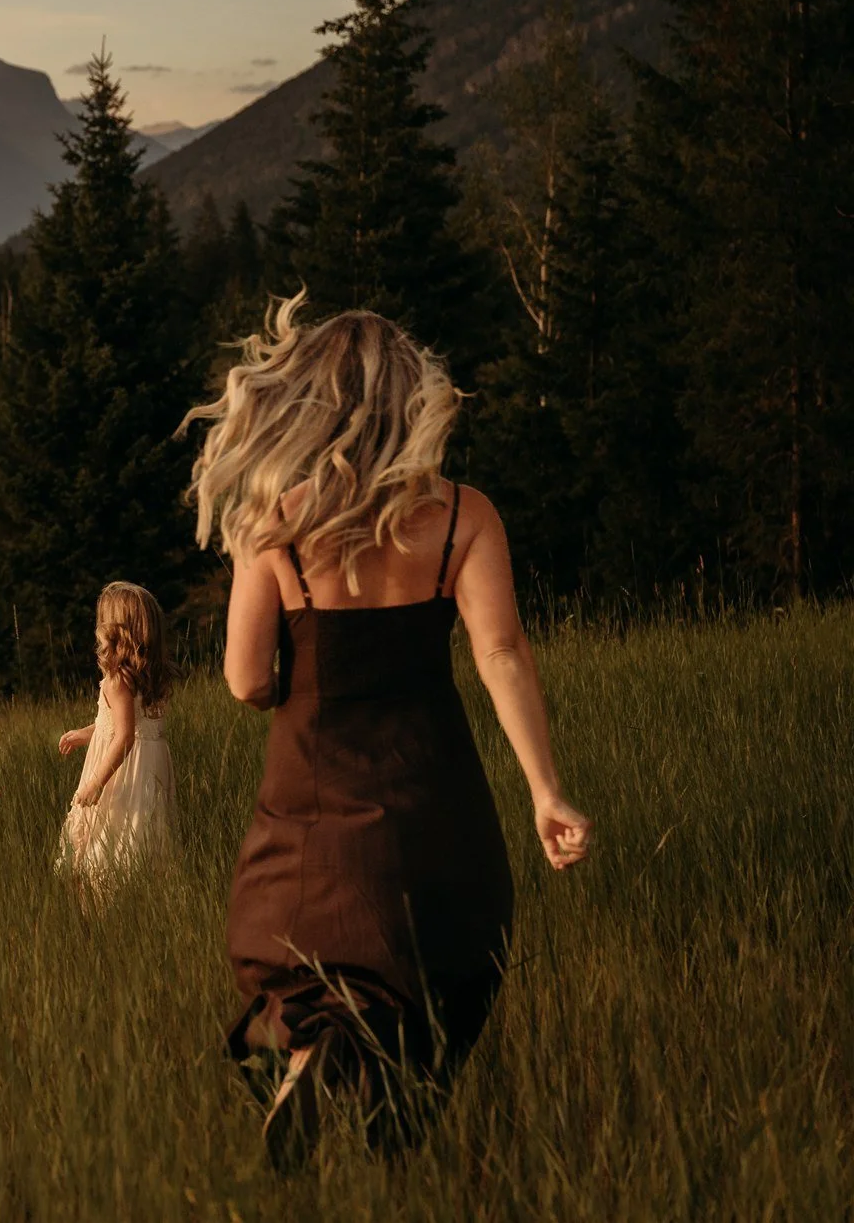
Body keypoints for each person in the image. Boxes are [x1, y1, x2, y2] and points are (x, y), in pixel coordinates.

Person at [180, 294, 592, 1170]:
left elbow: (246, 680)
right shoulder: (462, 516)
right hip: (434, 799)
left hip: (310, 803)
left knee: (305, 967)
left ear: (306, 404)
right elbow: (504, 654)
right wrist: (546, 791)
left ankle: (309, 1054)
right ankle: (392, 1150)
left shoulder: (275, 526)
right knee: (442, 970)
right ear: (414, 401)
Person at [53, 582, 177, 897]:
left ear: (114, 631)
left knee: (102, 850)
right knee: (137, 839)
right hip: (148, 768)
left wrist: (96, 782)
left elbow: (123, 737)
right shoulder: (147, 677)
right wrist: (86, 733)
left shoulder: (117, 681)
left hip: (121, 772)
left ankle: (99, 919)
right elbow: (124, 724)